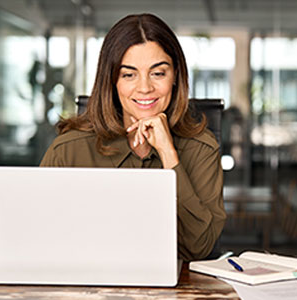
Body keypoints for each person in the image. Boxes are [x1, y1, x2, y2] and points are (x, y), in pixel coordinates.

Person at [40, 13, 226, 261]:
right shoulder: (68, 150)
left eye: (158, 73)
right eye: (129, 75)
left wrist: (170, 156)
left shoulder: (202, 149)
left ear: (175, 77)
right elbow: (39, 239)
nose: (145, 88)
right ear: (112, 81)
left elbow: (198, 248)